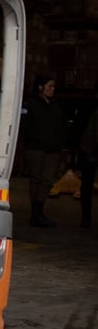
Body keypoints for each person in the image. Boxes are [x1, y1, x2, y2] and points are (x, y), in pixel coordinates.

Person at [21, 75, 66, 228]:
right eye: (49, 86)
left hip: (52, 149)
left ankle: (39, 208)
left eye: (53, 87)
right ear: (40, 87)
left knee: (47, 180)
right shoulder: (30, 103)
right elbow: (25, 126)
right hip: (35, 148)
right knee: (36, 179)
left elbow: (60, 125)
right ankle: (35, 213)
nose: (52, 89)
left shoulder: (55, 105)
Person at [76, 89, 97, 229]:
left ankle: (86, 217)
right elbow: (84, 129)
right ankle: (86, 217)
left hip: (89, 150)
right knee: (87, 186)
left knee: (87, 186)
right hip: (90, 151)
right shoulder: (90, 105)